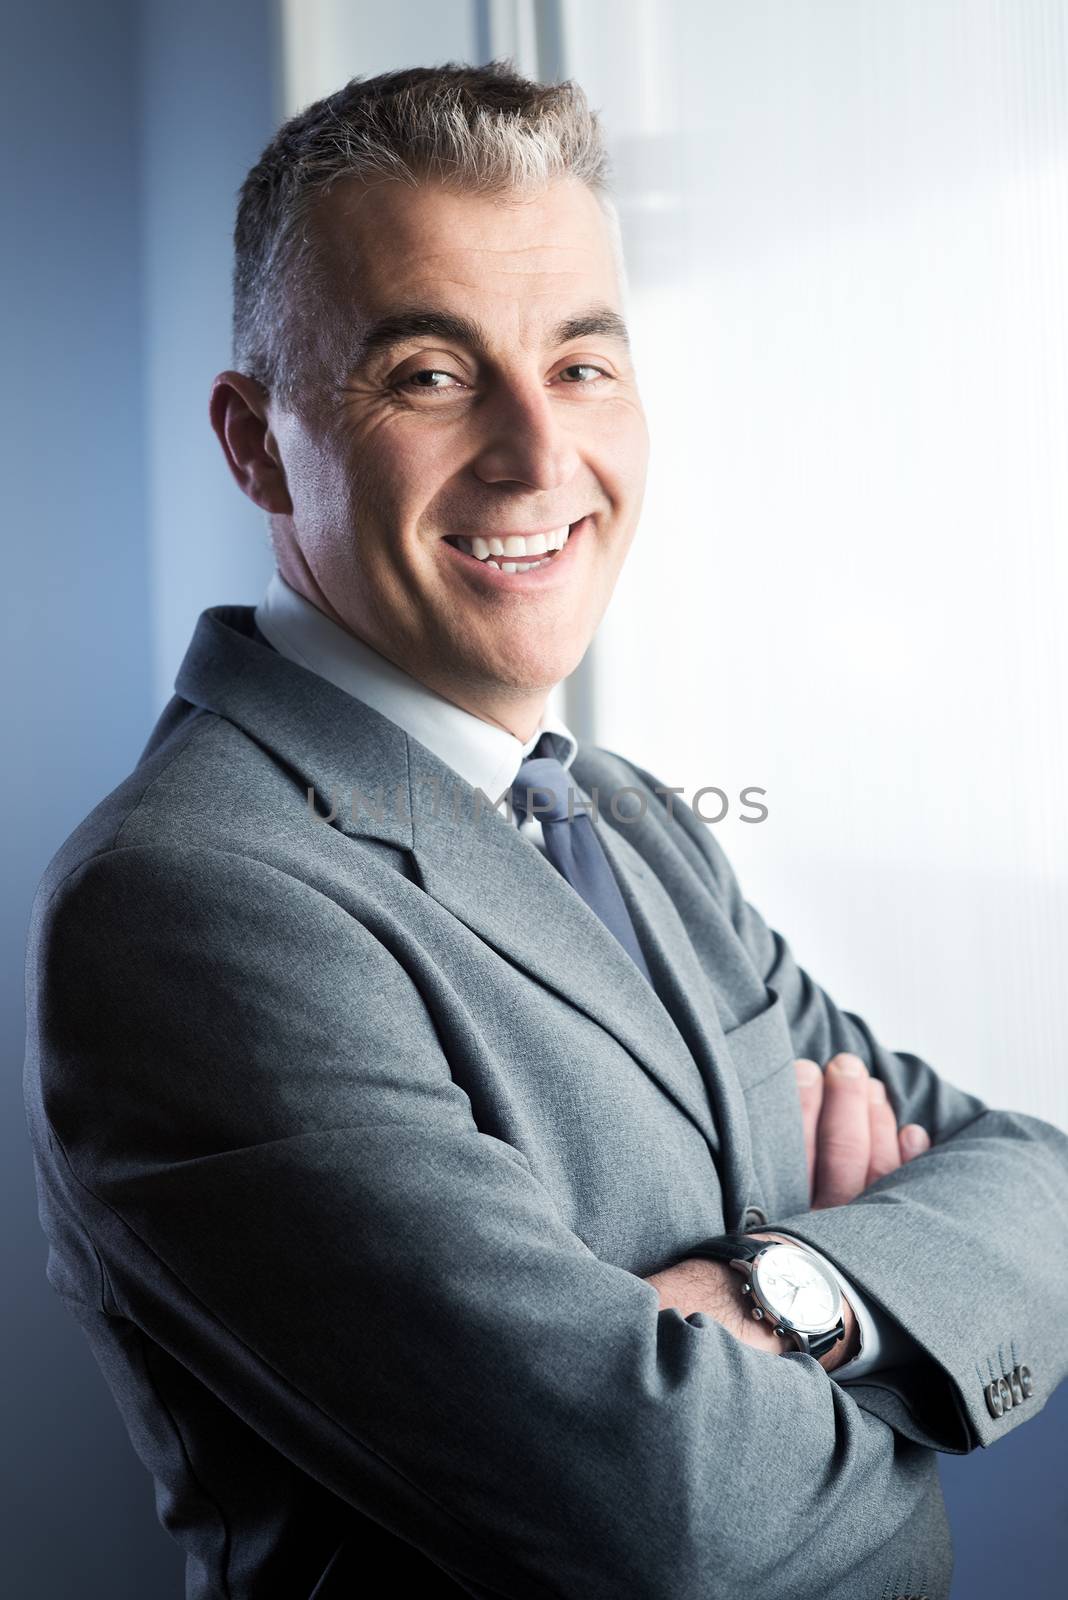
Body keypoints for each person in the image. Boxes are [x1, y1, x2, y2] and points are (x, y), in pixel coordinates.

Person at [23, 61, 1068, 1600]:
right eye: (431, 375)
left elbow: (1034, 1177)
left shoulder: (631, 818)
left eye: (580, 364)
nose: (535, 454)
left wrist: (786, 1293)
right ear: (256, 444)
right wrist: (895, 1315)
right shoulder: (188, 902)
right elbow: (664, 1517)